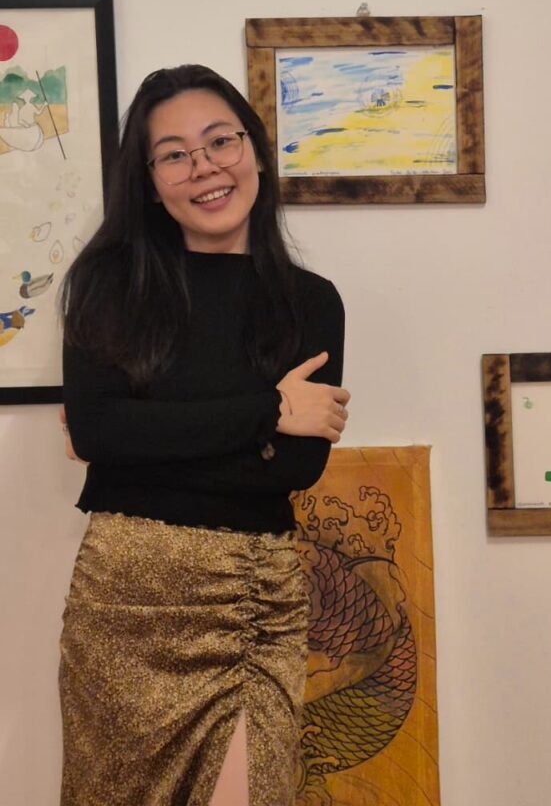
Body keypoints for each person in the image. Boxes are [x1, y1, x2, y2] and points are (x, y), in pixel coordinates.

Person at [58, 64, 349, 806]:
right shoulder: (107, 286)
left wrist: (144, 442)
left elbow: (292, 469)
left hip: (254, 604)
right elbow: (98, 430)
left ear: (255, 151)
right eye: (174, 155)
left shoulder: (310, 302)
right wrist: (266, 411)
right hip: (125, 603)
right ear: (150, 183)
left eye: (221, 141)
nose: (205, 167)